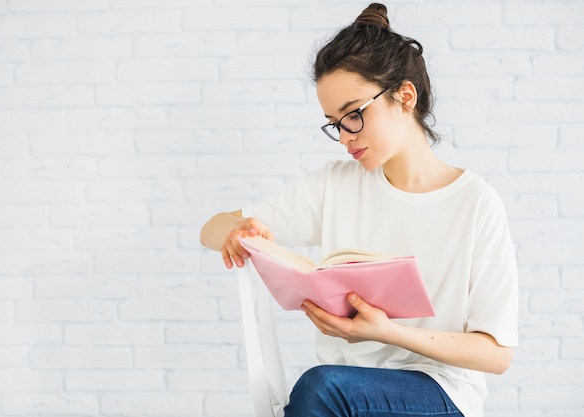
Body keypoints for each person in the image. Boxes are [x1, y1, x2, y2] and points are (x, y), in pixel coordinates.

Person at [200, 3, 518, 416]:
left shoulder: (475, 203)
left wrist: (390, 333)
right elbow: (212, 226)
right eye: (334, 122)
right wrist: (236, 229)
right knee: (325, 388)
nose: (345, 137)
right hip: (343, 391)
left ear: (404, 96)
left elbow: (497, 355)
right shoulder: (336, 185)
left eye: (354, 115)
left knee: (322, 387)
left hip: (440, 392)